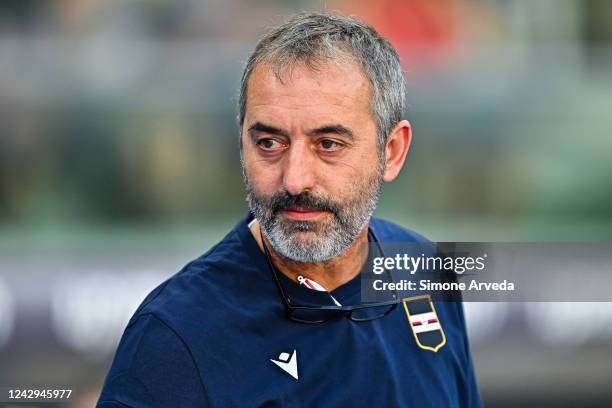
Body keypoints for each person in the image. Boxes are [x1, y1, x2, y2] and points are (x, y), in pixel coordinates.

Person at [97, 12, 481, 407]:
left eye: (328, 144)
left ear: (392, 151)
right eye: (269, 143)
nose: (295, 180)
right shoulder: (175, 334)